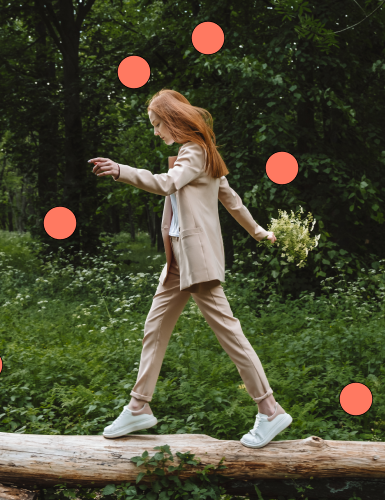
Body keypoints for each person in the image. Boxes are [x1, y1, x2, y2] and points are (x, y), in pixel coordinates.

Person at [87, 88, 292, 448]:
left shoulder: (194, 153)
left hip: (196, 260)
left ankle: (270, 410)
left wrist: (121, 170)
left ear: (171, 120)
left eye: (156, 124)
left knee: (230, 333)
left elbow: (166, 184)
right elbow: (230, 198)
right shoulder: (199, 154)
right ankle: (139, 407)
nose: (155, 132)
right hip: (179, 262)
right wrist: (260, 232)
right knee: (155, 328)